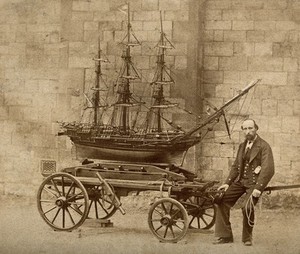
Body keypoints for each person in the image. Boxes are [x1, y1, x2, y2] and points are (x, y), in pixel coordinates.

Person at [213, 119, 275, 246]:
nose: (248, 131)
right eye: (245, 129)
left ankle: (247, 238)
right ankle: (225, 236)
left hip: (254, 184)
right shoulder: (242, 146)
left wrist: (258, 188)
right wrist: (227, 183)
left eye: (250, 128)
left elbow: (268, 169)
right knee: (221, 200)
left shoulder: (264, 146)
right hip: (241, 182)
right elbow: (236, 166)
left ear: (256, 128)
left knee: (247, 207)